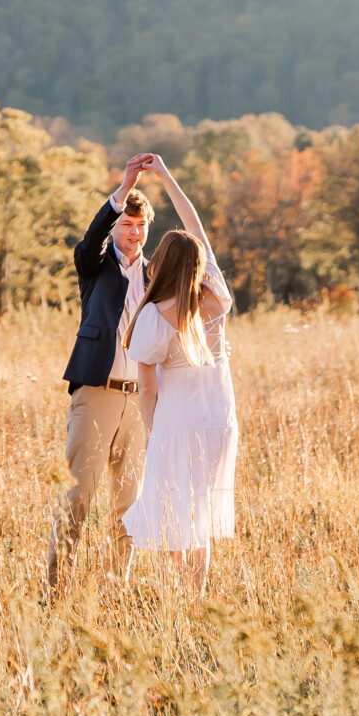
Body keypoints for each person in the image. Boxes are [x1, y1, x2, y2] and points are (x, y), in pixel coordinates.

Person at [120, 155, 237, 590]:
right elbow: (198, 231)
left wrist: (151, 430)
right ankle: (197, 596)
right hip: (219, 418)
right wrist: (166, 176)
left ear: (162, 263)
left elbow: (147, 388)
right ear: (198, 263)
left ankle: (181, 601)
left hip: (178, 421)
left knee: (172, 513)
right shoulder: (216, 296)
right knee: (199, 511)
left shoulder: (153, 316)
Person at [47, 152, 156, 595]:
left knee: (129, 505)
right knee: (78, 497)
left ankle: (117, 590)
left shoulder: (155, 275)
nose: (134, 233)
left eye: (140, 226)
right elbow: (90, 240)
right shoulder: (94, 267)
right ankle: (54, 590)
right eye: (127, 226)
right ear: (117, 229)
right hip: (96, 394)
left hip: (139, 401)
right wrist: (125, 185)